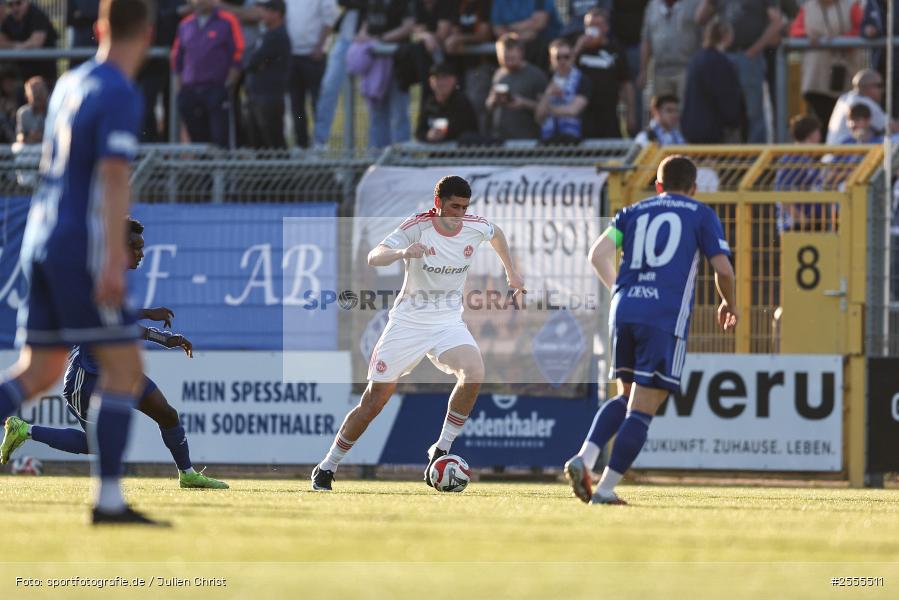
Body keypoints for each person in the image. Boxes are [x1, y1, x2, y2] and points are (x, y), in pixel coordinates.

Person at [0, 0, 162, 525]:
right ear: (150, 33)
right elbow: (114, 175)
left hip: (40, 237)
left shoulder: (71, 82)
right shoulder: (118, 90)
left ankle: (110, 499)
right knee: (125, 370)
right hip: (79, 244)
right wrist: (113, 256)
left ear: (98, 28)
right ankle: (109, 502)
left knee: (39, 368)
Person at [311, 175, 526, 491]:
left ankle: (441, 448)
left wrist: (511, 271)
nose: (459, 214)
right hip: (407, 323)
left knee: (474, 372)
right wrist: (402, 253)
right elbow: (374, 256)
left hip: (447, 323)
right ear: (438, 203)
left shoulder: (475, 225)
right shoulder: (417, 226)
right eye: (454, 207)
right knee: (374, 401)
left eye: (464, 208)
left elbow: (497, 234)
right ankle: (327, 466)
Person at [1, 218, 229, 491]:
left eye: (142, 247)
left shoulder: (115, 277)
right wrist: (149, 316)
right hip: (87, 375)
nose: (141, 253)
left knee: (167, 414)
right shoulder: (94, 273)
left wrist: (164, 339)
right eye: (135, 247)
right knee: (96, 443)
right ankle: (24, 429)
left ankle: (188, 474)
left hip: (118, 369)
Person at [565, 155, 737, 505]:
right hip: (663, 315)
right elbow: (724, 270)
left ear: (658, 185)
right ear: (694, 188)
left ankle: (585, 457)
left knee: (625, 396)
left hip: (624, 308)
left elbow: (597, 254)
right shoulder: (699, 213)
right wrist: (728, 303)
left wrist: (618, 290)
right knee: (645, 405)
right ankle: (606, 489)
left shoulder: (632, 211)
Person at [696, 0, 783, 143]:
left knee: (753, 111)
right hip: (723, 57)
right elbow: (699, 18)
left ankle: (756, 157)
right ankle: (728, 157)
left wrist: (755, 49)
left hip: (749, 57)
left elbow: (777, 22)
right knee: (724, 108)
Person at [171, 0, 244, 147]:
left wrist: (228, 83)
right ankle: (201, 168)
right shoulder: (185, 24)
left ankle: (221, 169)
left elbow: (238, 52)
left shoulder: (228, 20)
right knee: (197, 138)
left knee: (220, 137)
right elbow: (176, 58)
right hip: (190, 90)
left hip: (216, 88)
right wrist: (180, 89)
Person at [789, 0, 863, 131]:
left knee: (845, 124)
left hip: (845, 75)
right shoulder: (808, 7)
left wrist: (840, 41)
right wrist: (807, 36)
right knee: (820, 123)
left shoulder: (852, 5)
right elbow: (795, 31)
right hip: (815, 78)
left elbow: (861, 28)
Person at [574, 8, 636, 139]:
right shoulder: (578, 51)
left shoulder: (616, 51)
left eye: (597, 25)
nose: (592, 29)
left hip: (609, 114)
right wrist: (578, 48)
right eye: (589, 25)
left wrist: (630, 114)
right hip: (584, 115)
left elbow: (626, 84)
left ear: (606, 28)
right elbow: (563, 69)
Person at [681, 18, 743, 144]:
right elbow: (726, 98)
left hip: (691, 129)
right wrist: (734, 122)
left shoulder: (696, 60)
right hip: (713, 132)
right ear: (726, 36)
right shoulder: (722, 63)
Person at [287, 0, 338, 148]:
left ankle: (320, 142)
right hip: (292, 55)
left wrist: (319, 46)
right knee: (297, 104)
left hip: (314, 56)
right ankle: (301, 143)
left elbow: (329, 19)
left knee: (318, 101)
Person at [243, 0, 291, 148]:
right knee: (258, 143)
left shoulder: (277, 36)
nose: (261, 14)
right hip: (257, 96)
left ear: (276, 14)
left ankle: (282, 171)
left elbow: (254, 61)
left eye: (265, 10)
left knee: (273, 142)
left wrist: (253, 62)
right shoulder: (266, 34)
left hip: (269, 98)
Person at [637, 0, 702, 105]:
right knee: (662, 113)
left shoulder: (695, 3)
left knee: (685, 113)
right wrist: (643, 70)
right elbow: (646, 40)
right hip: (660, 71)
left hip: (686, 69)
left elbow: (703, 36)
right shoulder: (653, 5)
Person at [486, 33, 548, 141]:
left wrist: (523, 103)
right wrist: (494, 100)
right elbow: (489, 106)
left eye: (511, 57)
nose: (507, 61)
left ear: (521, 53)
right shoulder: (499, 74)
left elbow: (546, 110)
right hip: (500, 140)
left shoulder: (536, 75)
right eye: (504, 57)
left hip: (527, 141)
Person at [535, 38, 590, 144]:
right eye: (557, 57)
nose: (562, 61)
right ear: (551, 59)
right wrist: (548, 94)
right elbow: (539, 116)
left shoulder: (582, 79)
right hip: (548, 140)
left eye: (566, 57)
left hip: (573, 140)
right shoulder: (545, 79)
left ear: (573, 57)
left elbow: (573, 111)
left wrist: (548, 109)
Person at [0, 0, 60, 87]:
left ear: (27, 2)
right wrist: (18, 46)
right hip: (20, 77)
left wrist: (14, 46)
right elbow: (1, 43)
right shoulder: (9, 19)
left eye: (18, 3)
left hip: (43, 77)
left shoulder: (37, 15)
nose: (15, 8)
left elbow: (36, 43)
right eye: (10, 5)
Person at [415, 62, 478, 143]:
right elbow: (419, 132)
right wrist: (428, 135)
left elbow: (466, 131)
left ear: (454, 80)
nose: (441, 82)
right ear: (430, 81)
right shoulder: (429, 103)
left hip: (460, 153)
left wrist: (445, 134)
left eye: (445, 78)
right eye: (437, 78)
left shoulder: (462, 102)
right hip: (436, 153)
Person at [826, 69, 892, 144]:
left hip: (835, 149)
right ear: (868, 87)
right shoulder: (864, 101)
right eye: (879, 85)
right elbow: (891, 127)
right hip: (847, 150)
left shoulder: (845, 97)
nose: (882, 90)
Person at [14, 75, 46, 144]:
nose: (37, 95)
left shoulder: (55, 112)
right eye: (34, 93)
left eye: (40, 92)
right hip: (29, 153)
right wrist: (24, 138)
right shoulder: (23, 113)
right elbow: (19, 134)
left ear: (46, 92)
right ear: (27, 95)